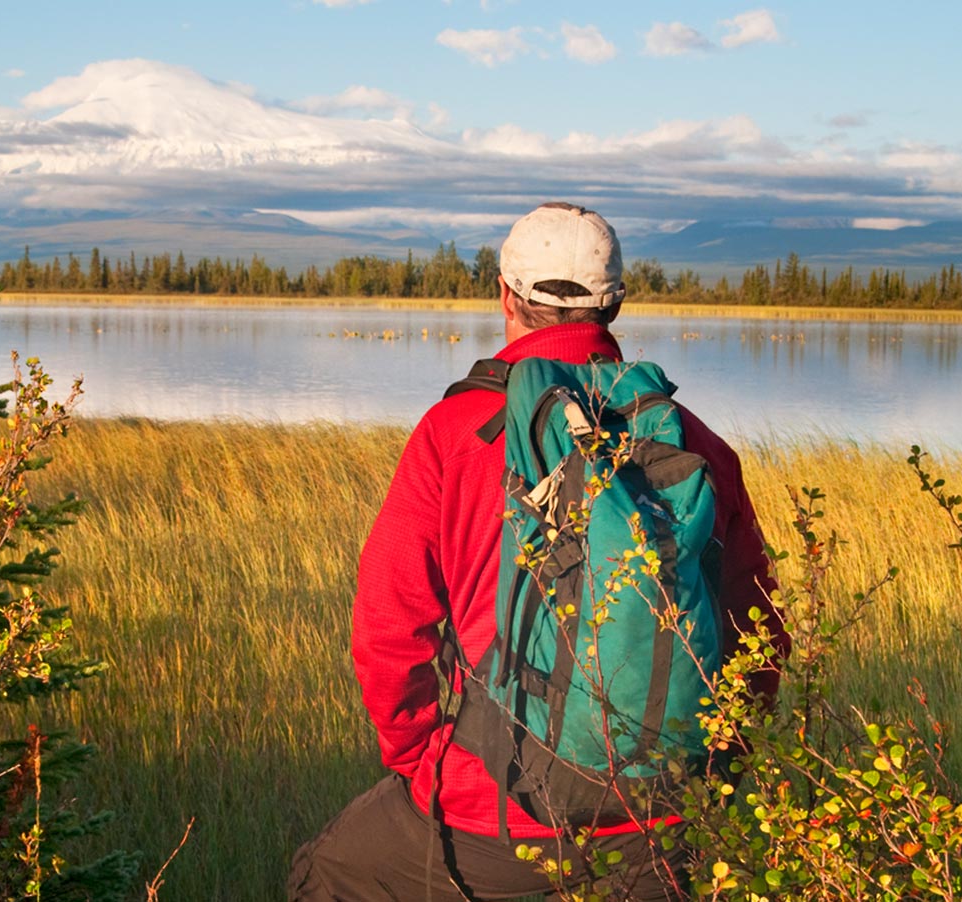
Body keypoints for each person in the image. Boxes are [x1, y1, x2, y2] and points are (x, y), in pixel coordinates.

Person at [288, 203, 790, 901]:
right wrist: (717, 767)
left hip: (489, 809)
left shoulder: (453, 432)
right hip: (668, 815)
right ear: (616, 304)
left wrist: (423, 759)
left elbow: (387, 628)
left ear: (505, 295)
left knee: (326, 873)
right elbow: (760, 633)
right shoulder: (697, 444)